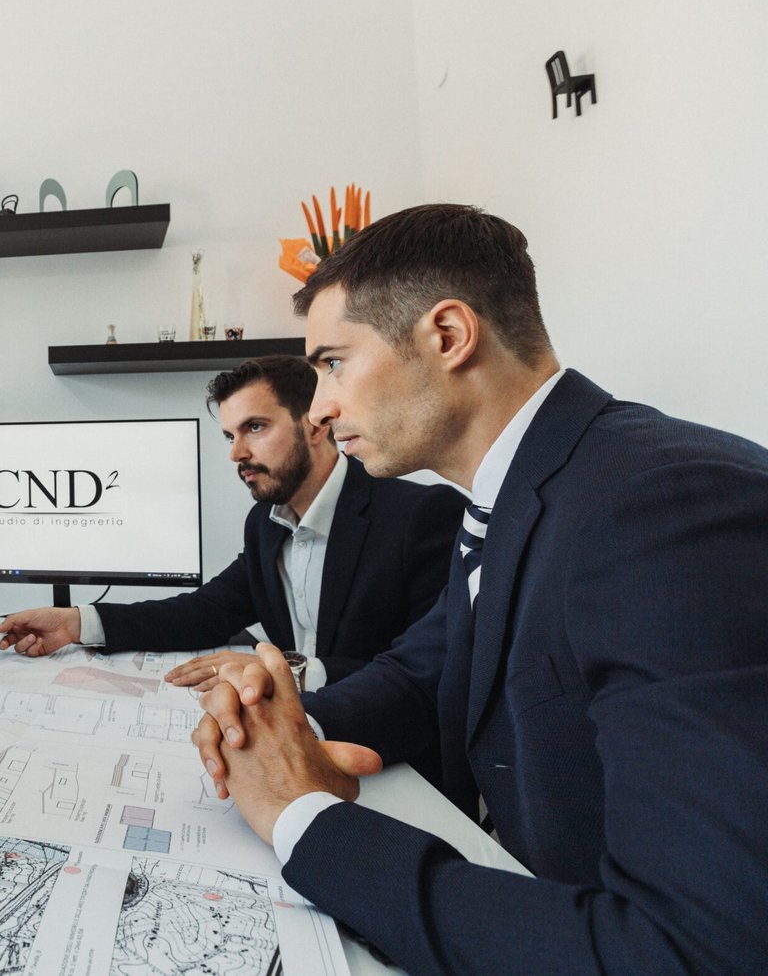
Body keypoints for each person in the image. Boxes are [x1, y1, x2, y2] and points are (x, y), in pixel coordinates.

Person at [194, 204, 768, 972]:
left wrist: (303, 821)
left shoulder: (662, 507)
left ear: (448, 335)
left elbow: (690, 948)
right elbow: (424, 666)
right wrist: (280, 726)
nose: (321, 408)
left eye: (333, 364)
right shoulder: (521, 493)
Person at [0, 355, 464, 693]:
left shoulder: (420, 517)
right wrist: (76, 623)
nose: (236, 453)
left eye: (255, 427)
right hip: (294, 731)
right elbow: (205, 611)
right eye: (230, 435)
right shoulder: (266, 523)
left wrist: (285, 672)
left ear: (317, 424)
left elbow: (432, 671)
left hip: (394, 757)